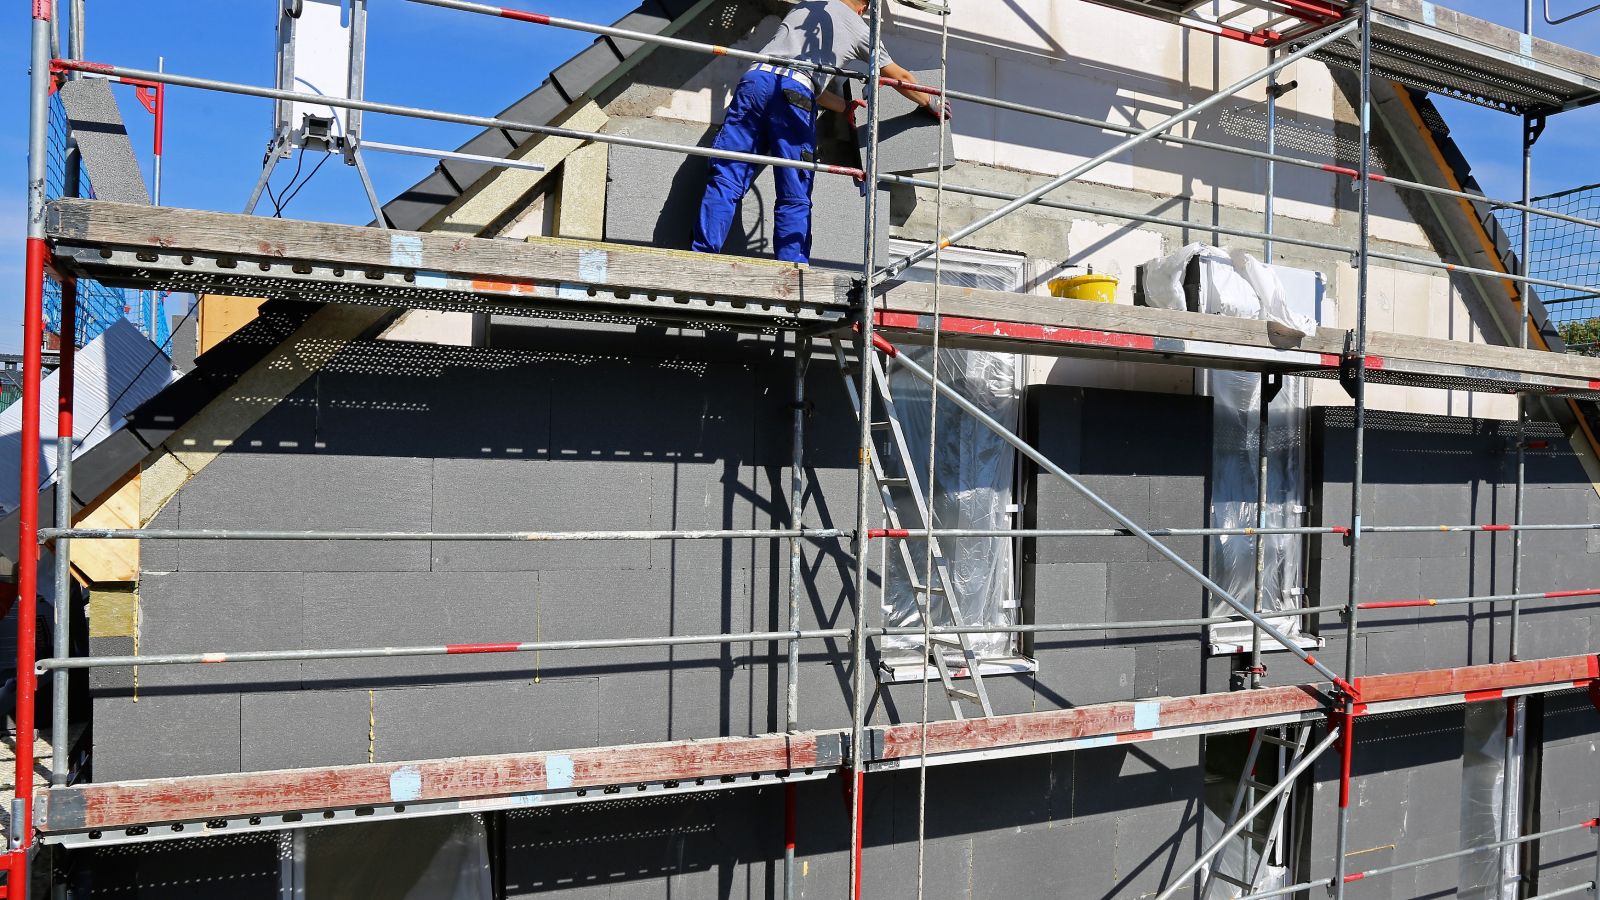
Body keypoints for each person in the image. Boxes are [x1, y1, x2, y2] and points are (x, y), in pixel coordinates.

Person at [691, 0, 949, 265]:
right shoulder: (860, 29)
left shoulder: (804, 8)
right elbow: (899, 76)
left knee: (727, 177)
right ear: (863, 6)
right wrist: (931, 102)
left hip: (754, 81)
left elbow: (798, 78)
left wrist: (845, 107)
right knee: (794, 189)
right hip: (793, 93)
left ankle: (702, 258)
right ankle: (792, 270)